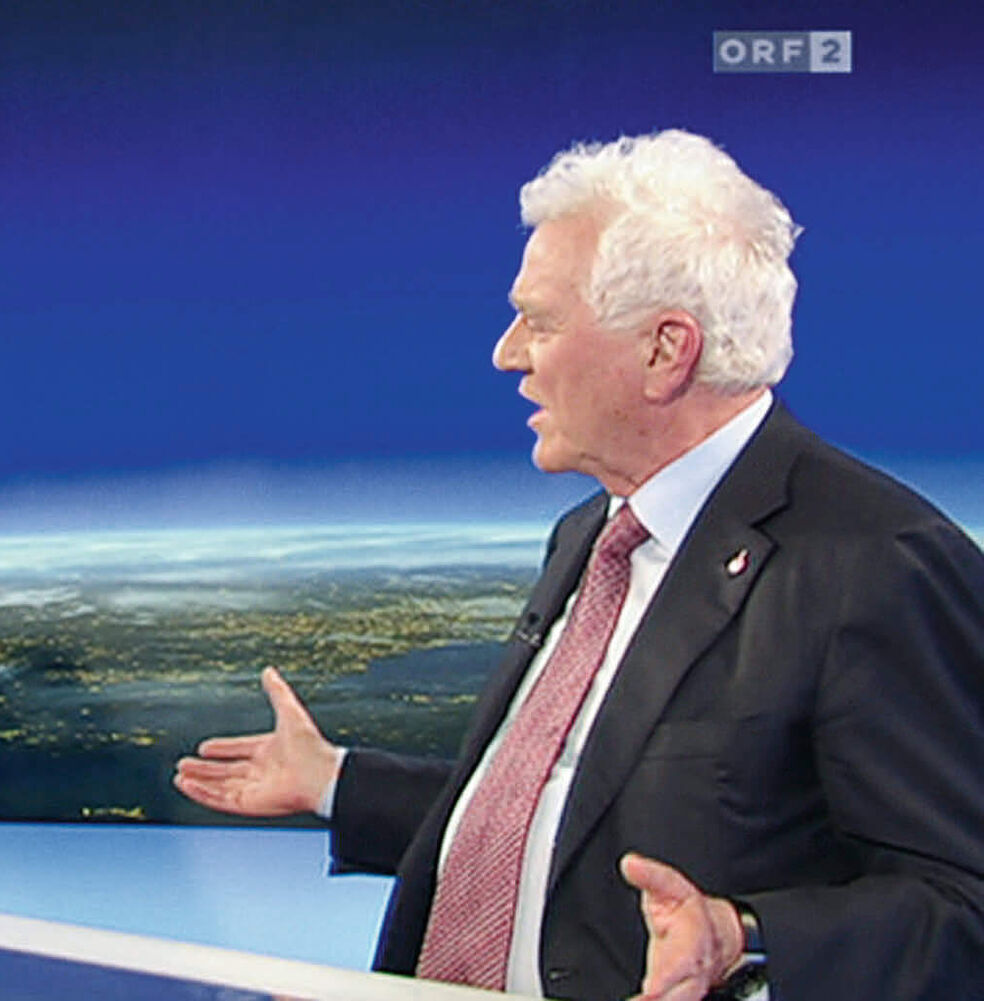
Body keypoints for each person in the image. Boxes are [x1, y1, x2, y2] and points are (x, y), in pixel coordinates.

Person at [174, 131, 984, 1000]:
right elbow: (568, 814)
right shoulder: (588, 536)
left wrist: (745, 935)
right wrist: (338, 784)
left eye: (541, 321)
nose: (507, 353)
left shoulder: (880, 563)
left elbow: (964, 908)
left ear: (664, 350)